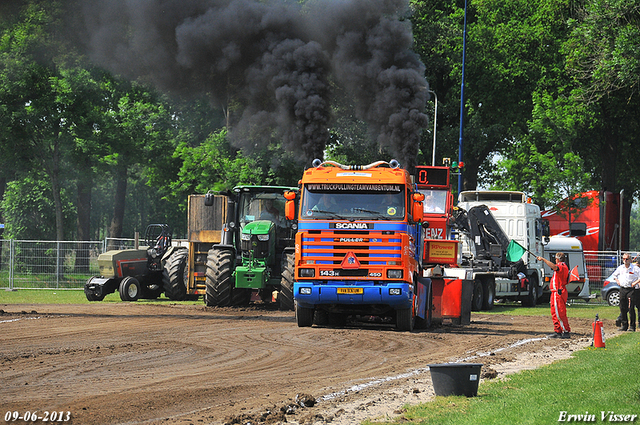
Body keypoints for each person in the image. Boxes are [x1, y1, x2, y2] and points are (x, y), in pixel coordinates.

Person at [537, 252, 571, 338]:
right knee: (555, 312)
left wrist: (543, 259)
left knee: (560, 312)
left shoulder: (562, 266)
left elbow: (554, 267)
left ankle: (565, 331)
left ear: (558, 259)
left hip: (558, 292)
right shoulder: (562, 266)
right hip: (555, 292)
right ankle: (558, 330)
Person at [609, 253, 640, 331]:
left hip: (631, 290)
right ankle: (624, 325)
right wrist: (617, 281)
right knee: (622, 307)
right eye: (623, 259)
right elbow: (614, 275)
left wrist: (635, 283)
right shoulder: (621, 268)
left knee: (630, 308)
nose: (625, 261)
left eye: (626, 259)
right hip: (623, 289)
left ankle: (632, 326)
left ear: (630, 260)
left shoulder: (635, 268)